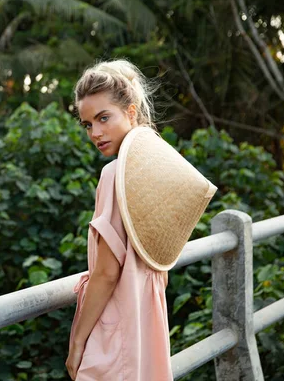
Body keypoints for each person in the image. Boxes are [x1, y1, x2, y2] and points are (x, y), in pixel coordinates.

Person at [66, 59, 172, 380]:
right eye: (87, 124)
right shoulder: (158, 163)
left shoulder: (114, 173)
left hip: (119, 329)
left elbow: (107, 273)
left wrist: (78, 341)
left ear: (130, 111)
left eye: (103, 118)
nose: (95, 133)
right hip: (148, 322)